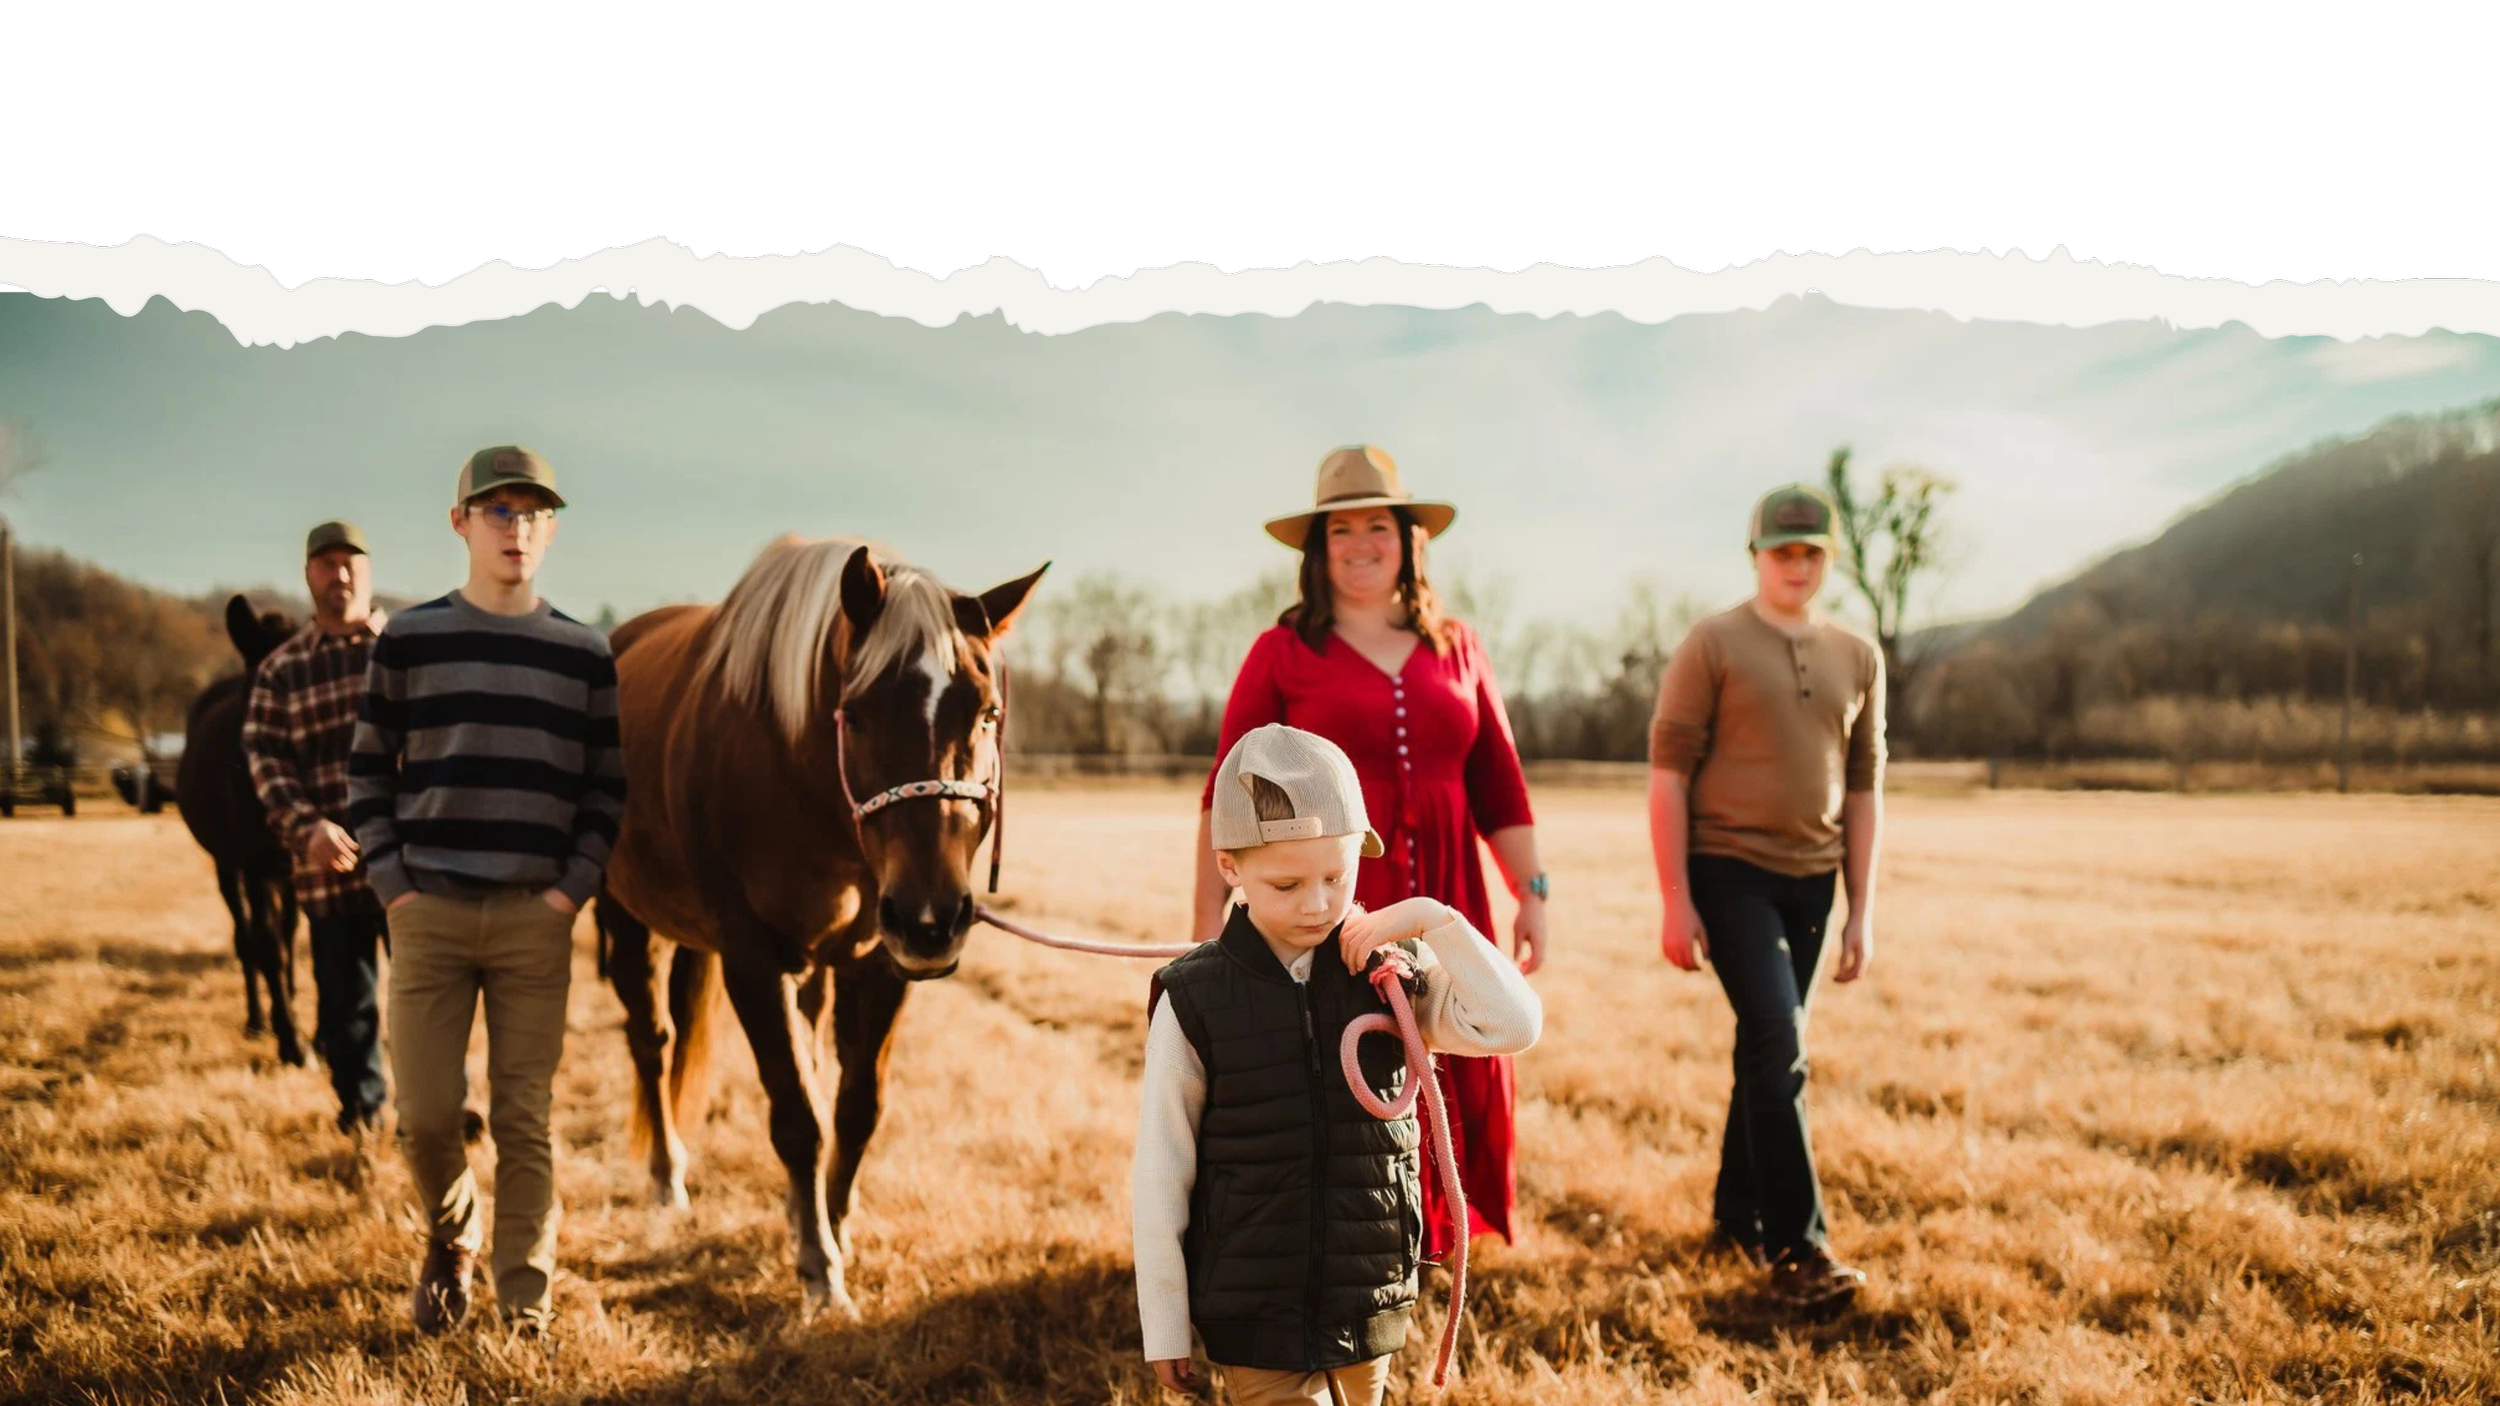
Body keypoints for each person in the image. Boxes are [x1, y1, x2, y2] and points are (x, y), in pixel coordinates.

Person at [1193, 444, 1549, 1269]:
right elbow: (1224, 796)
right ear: (1318, 550)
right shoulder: (1281, 653)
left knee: (1464, 1046)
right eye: (1340, 529)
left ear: (1408, 539)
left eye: (1377, 525)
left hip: (1451, 891)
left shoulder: (1459, 645)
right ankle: (1364, 1246)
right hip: (1333, 901)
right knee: (1352, 1065)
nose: (1359, 543)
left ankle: (1448, 1236)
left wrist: (1532, 892)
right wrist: (1208, 928)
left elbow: (1500, 783)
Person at [1138, 724, 1542, 1404]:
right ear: (1230, 868)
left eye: (1337, 875)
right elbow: (1161, 1169)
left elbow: (1514, 1024)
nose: (1318, 902)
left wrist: (1433, 921)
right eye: (1287, 882)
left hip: (1369, 1302)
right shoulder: (1195, 997)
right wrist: (1164, 1322)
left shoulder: (1391, 976)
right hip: (1254, 1310)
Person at [346, 446, 625, 1337]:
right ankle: (452, 1234)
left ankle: (526, 1307)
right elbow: (365, 780)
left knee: (523, 1118)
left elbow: (606, 792)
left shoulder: (584, 653)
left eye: (534, 513)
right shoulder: (410, 639)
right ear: (460, 522)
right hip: (425, 913)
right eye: (498, 512)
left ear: (552, 527)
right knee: (426, 1118)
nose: (518, 529)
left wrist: (568, 893)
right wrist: (395, 887)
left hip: (532, 921)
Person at [1647, 482, 1886, 1308]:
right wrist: (1676, 898)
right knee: (1779, 1043)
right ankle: (1799, 1250)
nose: (1797, 563)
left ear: (1830, 558)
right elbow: (1667, 775)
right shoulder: (1712, 643)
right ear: (1755, 555)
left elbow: (1863, 789)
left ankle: (1735, 1217)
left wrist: (1863, 907)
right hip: (1729, 870)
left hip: (1814, 881)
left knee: (1766, 1048)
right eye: (1782, 550)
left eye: (1812, 550)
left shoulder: (1860, 656)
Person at [242, 520, 393, 1134]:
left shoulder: (405, 652)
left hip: (408, 864)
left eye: (351, 562)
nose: (341, 574)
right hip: (328, 869)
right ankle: (364, 1111)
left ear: (369, 571)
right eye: (327, 564)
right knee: (346, 999)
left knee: (431, 998)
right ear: (309, 576)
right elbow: (266, 759)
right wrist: (306, 829)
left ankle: (442, 1104)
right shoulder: (282, 672)